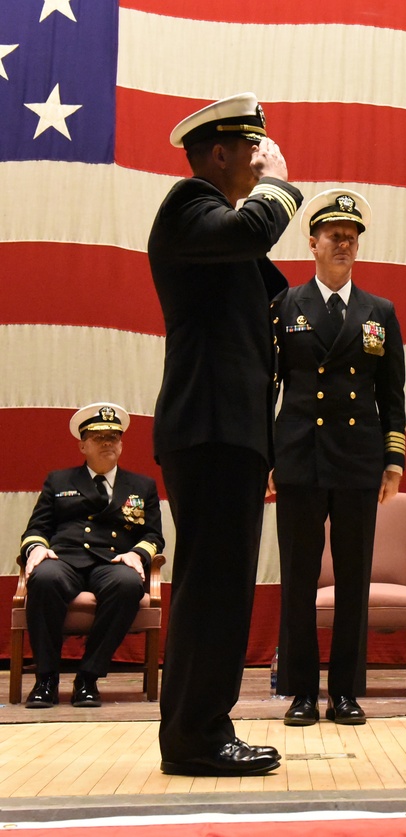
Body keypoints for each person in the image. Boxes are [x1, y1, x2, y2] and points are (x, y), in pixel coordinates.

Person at [148, 93, 303, 776]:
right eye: (252, 148)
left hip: (229, 432)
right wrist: (278, 186)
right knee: (214, 585)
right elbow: (250, 233)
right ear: (219, 153)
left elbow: (266, 285)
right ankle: (198, 734)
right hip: (208, 426)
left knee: (219, 583)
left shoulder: (220, 230)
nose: (261, 156)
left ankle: (197, 726)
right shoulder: (187, 205)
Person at [271, 188, 406, 728]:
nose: (345, 242)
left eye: (352, 236)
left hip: (357, 461)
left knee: (353, 580)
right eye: (334, 234)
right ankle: (302, 691)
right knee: (299, 579)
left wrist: (393, 460)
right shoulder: (285, 307)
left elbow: (391, 392)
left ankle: (346, 691)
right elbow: (269, 387)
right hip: (300, 457)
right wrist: (268, 458)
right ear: (313, 242)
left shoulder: (380, 312)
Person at [19, 403, 164, 709]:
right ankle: (46, 679)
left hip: (113, 562)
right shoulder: (59, 481)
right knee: (43, 578)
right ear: (82, 444)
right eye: (99, 437)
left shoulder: (141, 486)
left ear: (122, 444)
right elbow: (37, 528)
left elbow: (153, 536)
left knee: (127, 584)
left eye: (114, 436)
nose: (108, 442)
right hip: (65, 560)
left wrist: (138, 555)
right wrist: (37, 549)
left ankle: (88, 677)